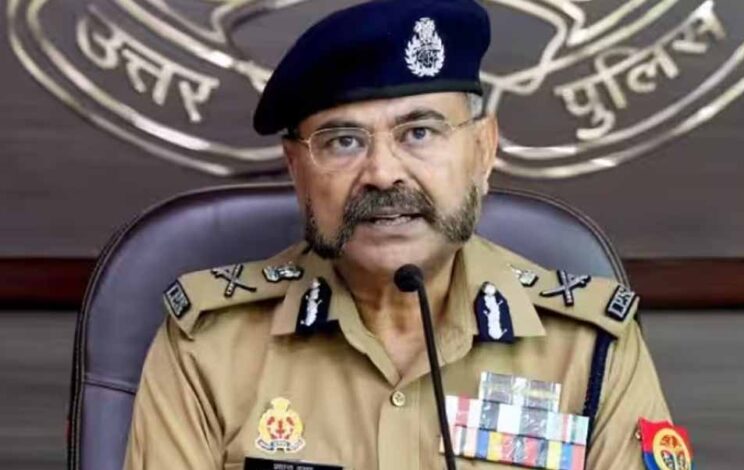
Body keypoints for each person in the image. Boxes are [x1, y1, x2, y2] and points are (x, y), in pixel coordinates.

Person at [124, 1, 691, 469]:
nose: (382, 173)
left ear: (484, 150)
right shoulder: (210, 347)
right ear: (296, 169)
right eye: (343, 141)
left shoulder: (588, 348)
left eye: (419, 132)